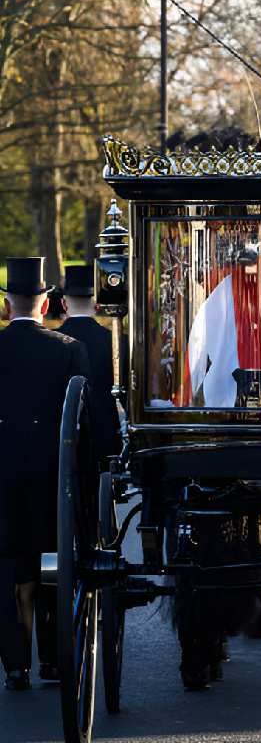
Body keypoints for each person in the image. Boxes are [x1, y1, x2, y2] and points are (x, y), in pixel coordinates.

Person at [0, 258, 90, 690]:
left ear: (6, 304)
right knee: (54, 563)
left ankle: (15, 662)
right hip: (51, 472)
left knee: (9, 568)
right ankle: (53, 657)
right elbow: (82, 423)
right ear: (47, 303)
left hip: (3, 474)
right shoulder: (69, 348)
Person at [56, 265, 122, 469]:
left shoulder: (53, 343)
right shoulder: (117, 342)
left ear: (63, 304)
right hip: (107, 439)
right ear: (97, 305)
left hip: (62, 441)